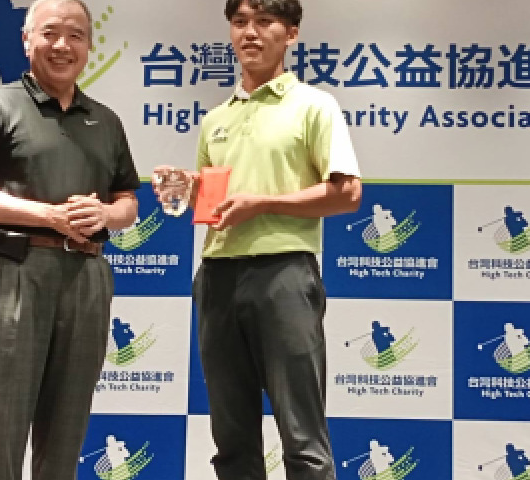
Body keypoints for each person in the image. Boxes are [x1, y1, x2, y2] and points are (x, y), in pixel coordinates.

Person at [152, 1, 361, 478]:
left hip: (283, 274)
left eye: (264, 21)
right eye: (240, 22)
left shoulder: (314, 105)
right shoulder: (216, 118)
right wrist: (190, 186)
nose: (250, 32)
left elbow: (347, 193)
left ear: (291, 33)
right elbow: (217, 203)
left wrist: (263, 203)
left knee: (303, 439)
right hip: (217, 277)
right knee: (232, 442)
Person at [0, 1, 140, 478]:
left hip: (86, 275)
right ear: (27, 40)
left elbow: (128, 203)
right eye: (50, 33)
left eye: (75, 35)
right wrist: (49, 216)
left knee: (67, 426)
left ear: (88, 46)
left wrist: (105, 214)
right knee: (0, 424)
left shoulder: (105, 119)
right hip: (14, 270)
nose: (62, 45)